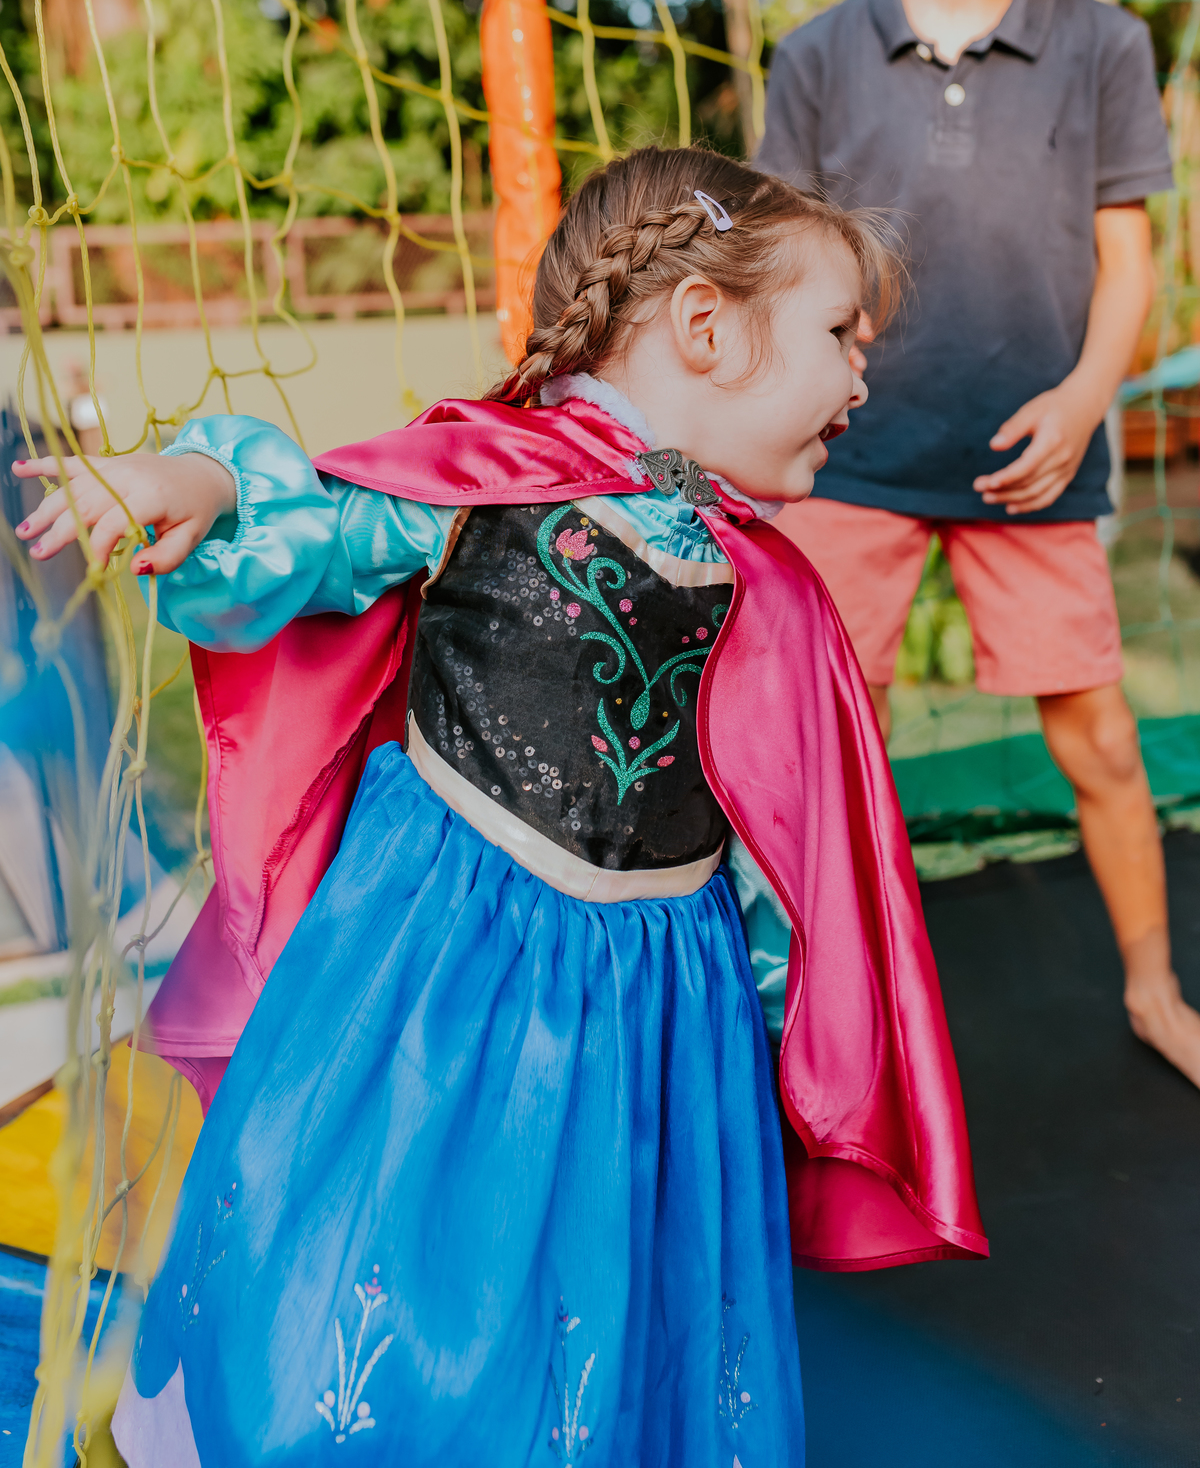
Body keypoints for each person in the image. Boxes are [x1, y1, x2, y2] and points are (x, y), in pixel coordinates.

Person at [16, 146, 986, 1467]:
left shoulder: (756, 567)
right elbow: (329, 514)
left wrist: (779, 1010)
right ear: (707, 328)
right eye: (838, 335)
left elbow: (772, 824)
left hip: (658, 986)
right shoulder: (496, 476)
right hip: (444, 957)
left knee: (609, 1261)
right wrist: (191, 485)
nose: (860, 376)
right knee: (396, 1233)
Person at [758, 0, 1200, 1088]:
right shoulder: (819, 57)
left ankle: (1154, 988)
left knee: (1104, 744)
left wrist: (1085, 400)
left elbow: (1128, 265)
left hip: (1032, 459)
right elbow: (788, 273)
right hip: (858, 463)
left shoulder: (1104, 50)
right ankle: (827, 1009)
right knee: (833, 751)